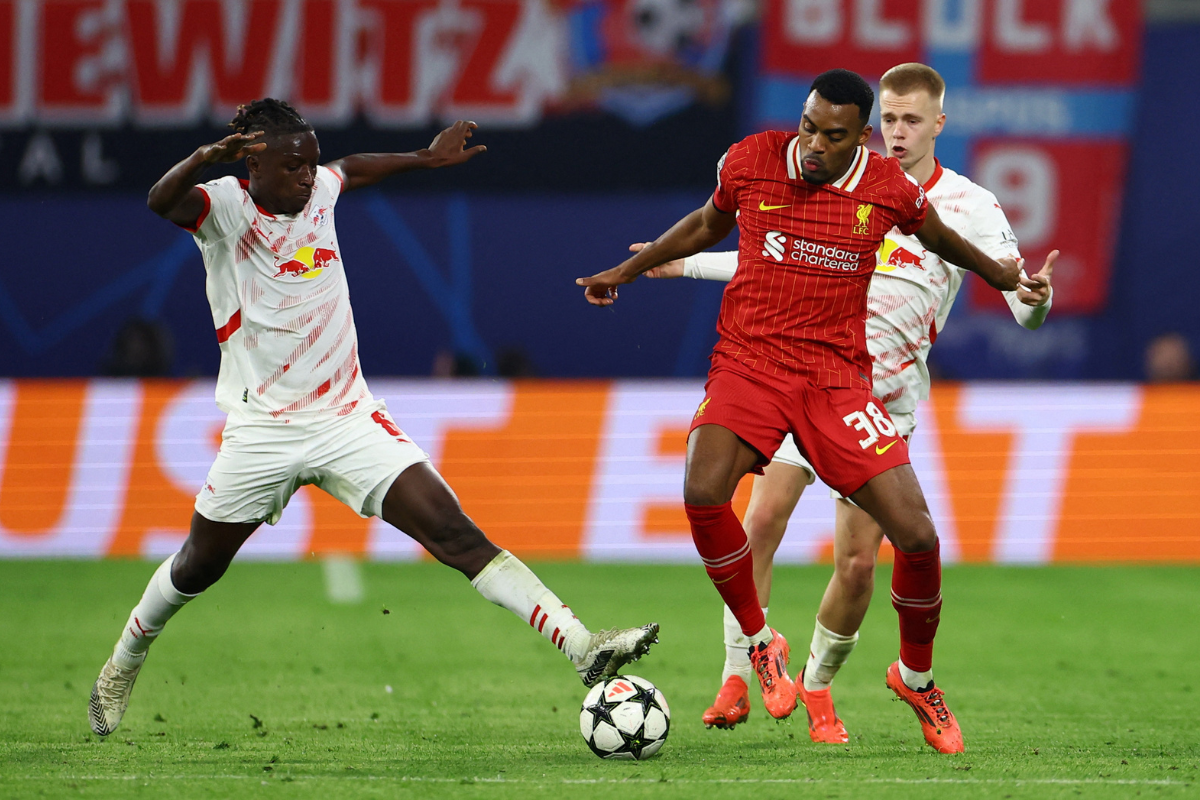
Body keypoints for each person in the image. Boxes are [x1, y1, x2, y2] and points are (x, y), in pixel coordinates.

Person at [89, 99, 658, 737]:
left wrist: (425, 157)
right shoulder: (223, 206)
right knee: (199, 564)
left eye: (311, 164)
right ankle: (122, 663)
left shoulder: (321, 193)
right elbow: (160, 203)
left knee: (456, 533)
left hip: (347, 418)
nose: (309, 177)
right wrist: (201, 159)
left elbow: (352, 168)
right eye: (295, 166)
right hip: (263, 429)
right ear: (254, 162)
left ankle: (583, 647)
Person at [578, 68, 1048, 754]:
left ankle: (911, 677)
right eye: (808, 127)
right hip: (753, 364)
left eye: (834, 136)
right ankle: (756, 648)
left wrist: (1008, 278)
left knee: (913, 539)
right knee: (711, 493)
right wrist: (631, 269)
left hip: (840, 383)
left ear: (859, 140)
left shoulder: (892, 191)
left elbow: (943, 241)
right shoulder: (751, 158)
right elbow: (714, 225)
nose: (815, 146)